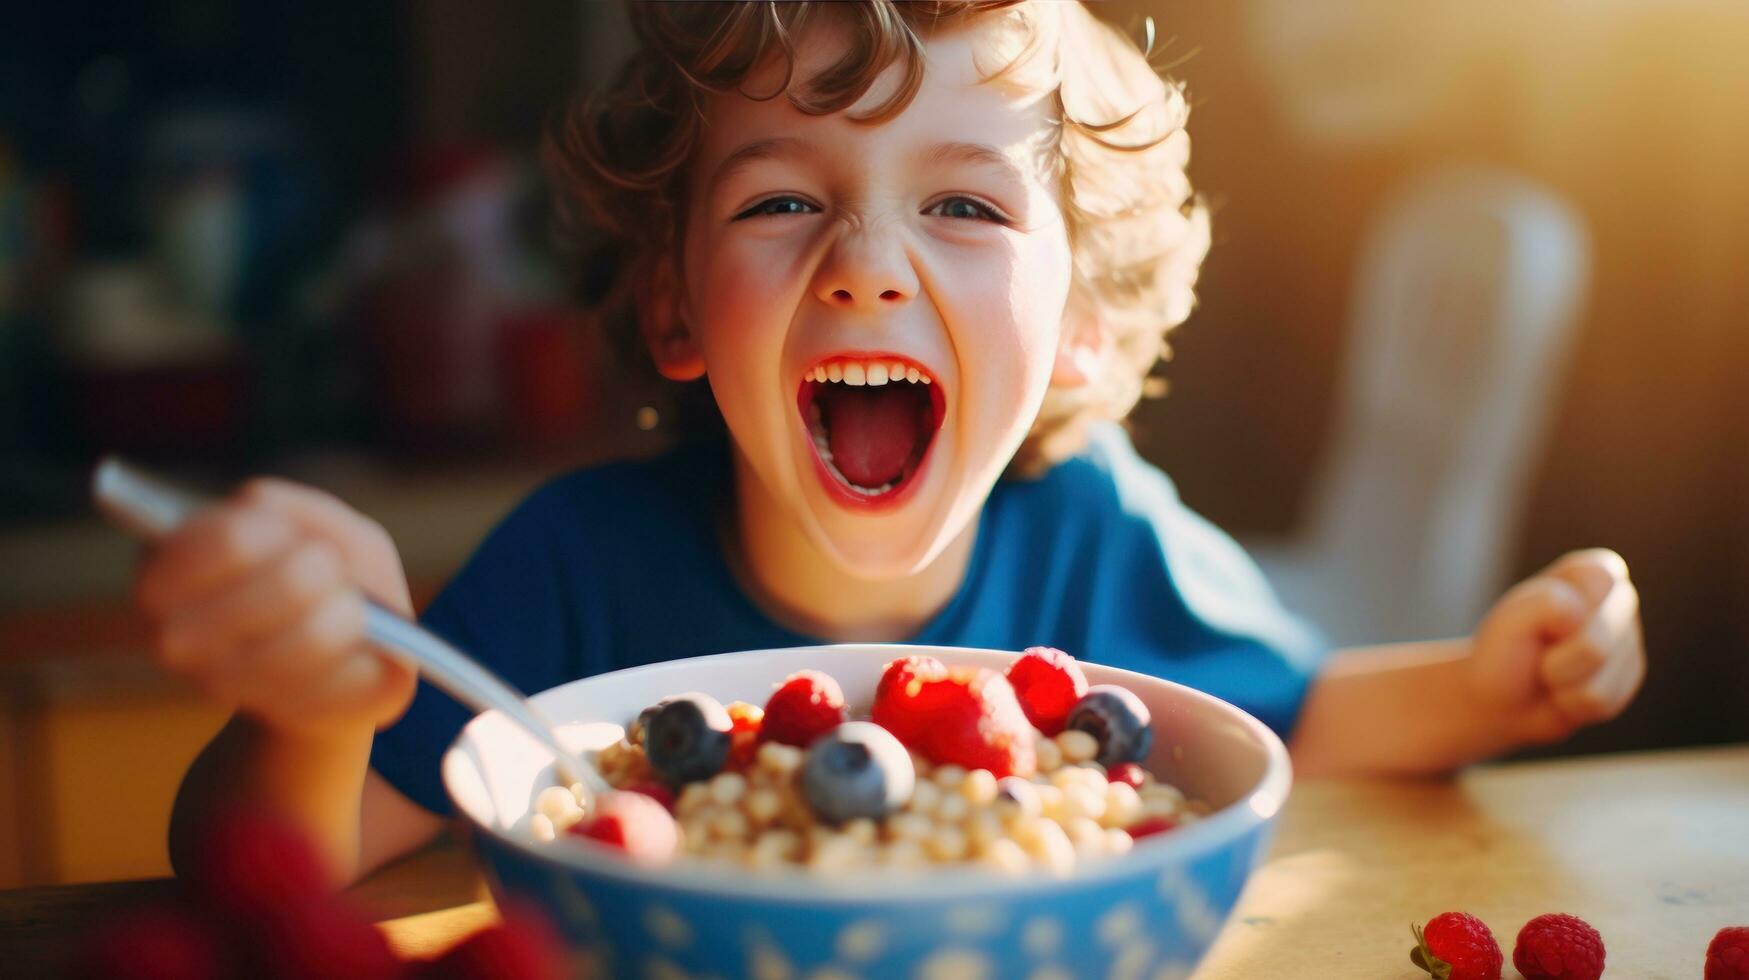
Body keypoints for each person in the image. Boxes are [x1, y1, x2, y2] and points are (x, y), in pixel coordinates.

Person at [134, 1, 1644, 885]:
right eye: (781, 199)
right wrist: (322, 716)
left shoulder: (1098, 535)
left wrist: (1490, 681)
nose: (863, 263)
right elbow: (255, 871)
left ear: (1079, 333)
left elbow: (1299, 721)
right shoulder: (571, 573)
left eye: (966, 205)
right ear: (672, 307)